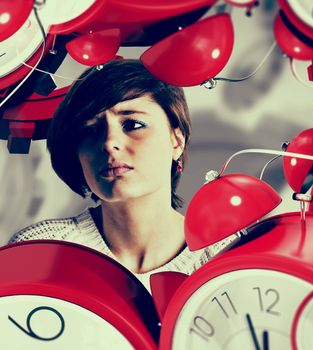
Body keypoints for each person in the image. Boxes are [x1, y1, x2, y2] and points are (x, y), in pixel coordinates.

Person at [8, 59, 237, 292]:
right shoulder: (37, 250)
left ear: (176, 140)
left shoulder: (231, 258)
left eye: (133, 124)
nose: (109, 143)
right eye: (91, 129)